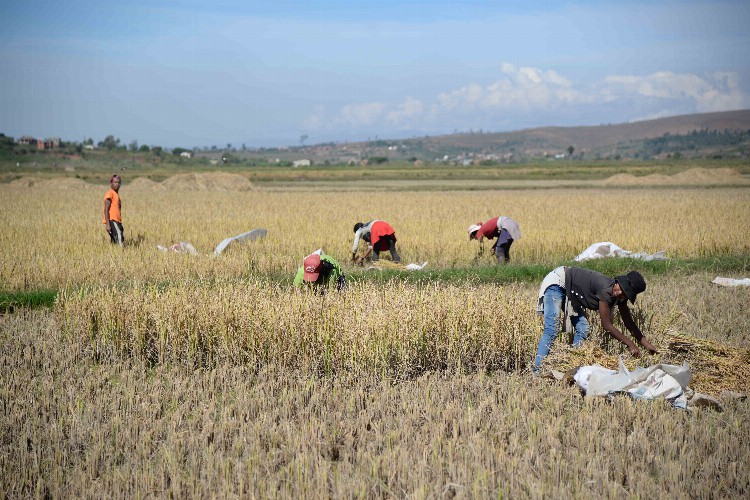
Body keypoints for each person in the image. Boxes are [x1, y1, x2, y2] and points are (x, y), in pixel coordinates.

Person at [533, 267, 658, 373]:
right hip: (559, 282)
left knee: (582, 328)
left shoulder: (620, 297)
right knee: (552, 329)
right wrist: (630, 344)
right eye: (621, 289)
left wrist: (646, 344)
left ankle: (572, 367)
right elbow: (607, 325)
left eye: (625, 293)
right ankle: (536, 372)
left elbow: (628, 322)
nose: (620, 293)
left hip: (571, 290)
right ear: (618, 282)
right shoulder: (606, 289)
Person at [103, 174, 124, 245]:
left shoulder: (116, 195)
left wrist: (120, 223)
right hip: (112, 220)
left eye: (118, 182)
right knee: (119, 239)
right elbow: (106, 209)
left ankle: (114, 254)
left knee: (115, 241)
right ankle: (121, 255)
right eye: (115, 182)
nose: (117, 184)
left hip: (117, 221)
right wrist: (108, 224)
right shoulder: (110, 193)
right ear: (111, 183)